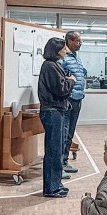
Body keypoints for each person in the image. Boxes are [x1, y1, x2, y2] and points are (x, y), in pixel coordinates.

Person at [38, 37, 76, 198]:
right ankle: (51, 188)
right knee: (53, 151)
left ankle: (56, 184)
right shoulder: (50, 66)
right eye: (63, 48)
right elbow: (61, 89)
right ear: (56, 50)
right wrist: (71, 81)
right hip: (52, 112)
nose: (65, 51)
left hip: (56, 111)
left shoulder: (53, 65)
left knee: (57, 150)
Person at [60, 31, 87, 175]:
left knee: (70, 133)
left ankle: (64, 161)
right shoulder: (63, 57)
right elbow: (60, 77)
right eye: (78, 41)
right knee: (63, 133)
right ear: (69, 41)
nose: (80, 43)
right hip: (68, 99)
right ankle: (60, 164)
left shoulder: (77, 57)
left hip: (78, 98)